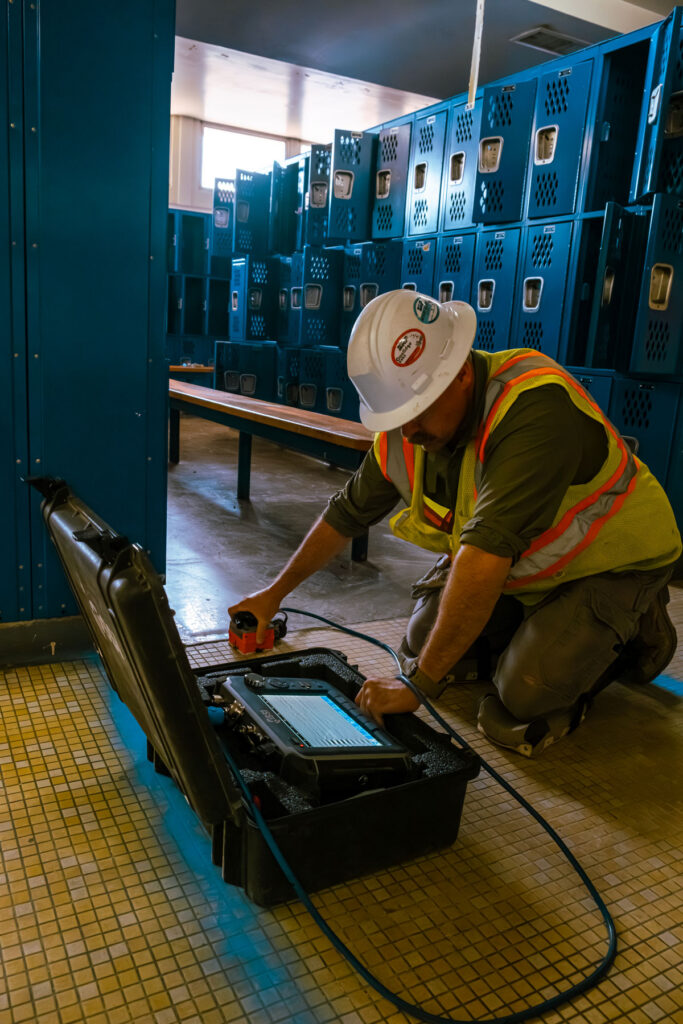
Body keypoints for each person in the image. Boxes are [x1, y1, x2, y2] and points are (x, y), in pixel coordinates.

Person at [229, 290, 681, 756]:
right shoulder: (411, 429)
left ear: (462, 372)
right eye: (397, 414)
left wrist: (418, 685)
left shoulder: (533, 408)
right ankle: (537, 627)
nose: (407, 431)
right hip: (531, 569)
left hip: (611, 562)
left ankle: (638, 627)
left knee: (523, 693)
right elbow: (345, 515)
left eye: (417, 411)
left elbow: (483, 558)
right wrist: (273, 596)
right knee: (421, 639)